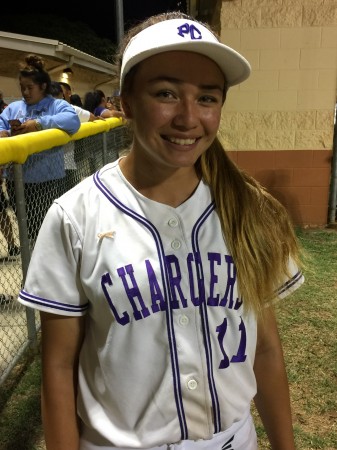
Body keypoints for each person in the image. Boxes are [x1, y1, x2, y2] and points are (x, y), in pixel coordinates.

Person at [18, 12, 304, 450]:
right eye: (166, 93)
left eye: (207, 98)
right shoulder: (75, 216)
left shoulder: (249, 209)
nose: (188, 118)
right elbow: (58, 368)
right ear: (126, 102)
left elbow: (263, 350)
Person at [0, 54, 80, 243]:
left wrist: (39, 123)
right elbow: (1, 123)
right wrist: (3, 132)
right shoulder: (13, 108)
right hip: (17, 180)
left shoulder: (56, 105)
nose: (25, 92)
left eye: (30, 87)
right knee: (28, 230)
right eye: (22, 88)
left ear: (43, 86)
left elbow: (73, 121)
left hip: (49, 180)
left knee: (52, 230)